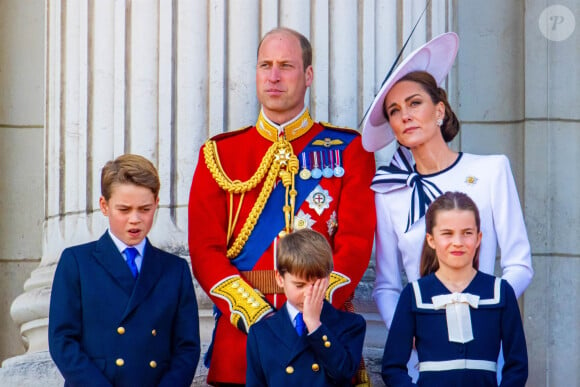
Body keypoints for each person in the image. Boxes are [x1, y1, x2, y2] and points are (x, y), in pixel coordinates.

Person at [188, 27, 376, 385]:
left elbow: (355, 244)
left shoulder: (351, 150)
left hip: (322, 333)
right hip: (243, 337)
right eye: (265, 65)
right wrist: (256, 314)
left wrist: (313, 307)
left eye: (286, 65)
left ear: (308, 75)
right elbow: (204, 250)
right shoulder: (219, 154)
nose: (273, 76)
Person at [361, 32, 533, 378]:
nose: (405, 115)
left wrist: (484, 311)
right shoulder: (389, 190)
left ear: (439, 109)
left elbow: (519, 265)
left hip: (482, 350)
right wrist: (411, 329)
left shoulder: (491, 170)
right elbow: (387, 285)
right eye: (395, 111)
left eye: (414, 103)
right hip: (419, 359)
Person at [49, 154, 201, 387]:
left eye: (145, 209)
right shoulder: (77, 262)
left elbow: (186, 348)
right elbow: (63, 341)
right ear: (104, 206)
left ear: (156, 204)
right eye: (124, 209)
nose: (135, 219)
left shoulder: (175, 270)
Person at [382, 191, 528, 386]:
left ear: (478, 238)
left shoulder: (500, 292)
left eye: (467, 233)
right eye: (447, 233)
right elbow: (392, 367)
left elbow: (517, 365)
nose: (458, 242)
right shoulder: (414, 294)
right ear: (431, 240)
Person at [246, 229, 366, 386]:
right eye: (299, 285)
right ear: (280, 279)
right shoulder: (260, 333)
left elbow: (343, 374)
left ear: (328, 278)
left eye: (315, 284)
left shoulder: (350, 325)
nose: (308, 294)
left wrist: (315, 325)